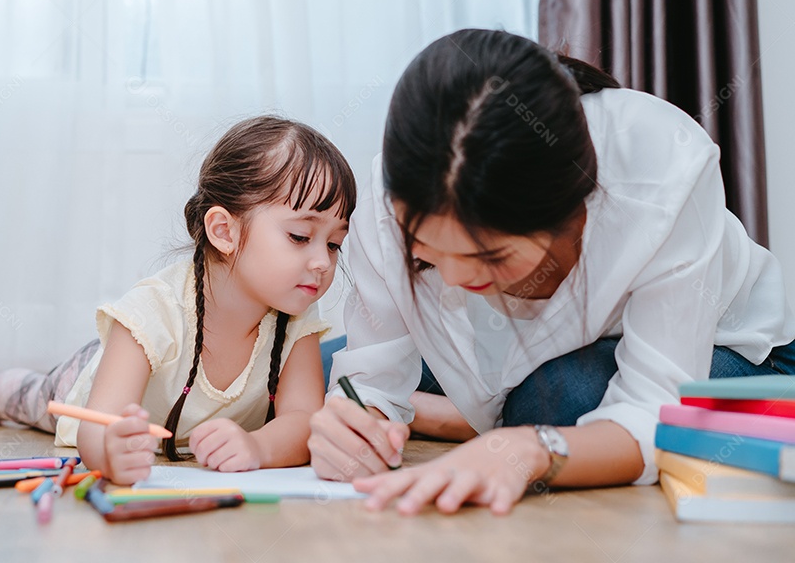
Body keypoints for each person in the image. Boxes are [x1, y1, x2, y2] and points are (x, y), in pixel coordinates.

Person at [310, 28, 795, 515]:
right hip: (512, 353)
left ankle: (475, 420)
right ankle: (465, 416)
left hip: (725, 348)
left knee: (557, 401)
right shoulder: (389, 202)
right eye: (426, 255)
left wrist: (532, 450)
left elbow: (655, 411)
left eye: (490, 257)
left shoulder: (660, 172)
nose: (453, 279)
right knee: (322, 370)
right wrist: (356, 426)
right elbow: (369, 381)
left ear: (567, 212)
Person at [0, 115, 355, 485]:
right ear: (224, 231)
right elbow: (96, 424)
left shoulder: (296, 316)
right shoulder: (154, 310)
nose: (322, 262)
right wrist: (109, 453)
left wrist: (257, 447)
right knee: (31, 398)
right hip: (87, 379)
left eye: (334, 244)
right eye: (300, 237)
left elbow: (304, 419)